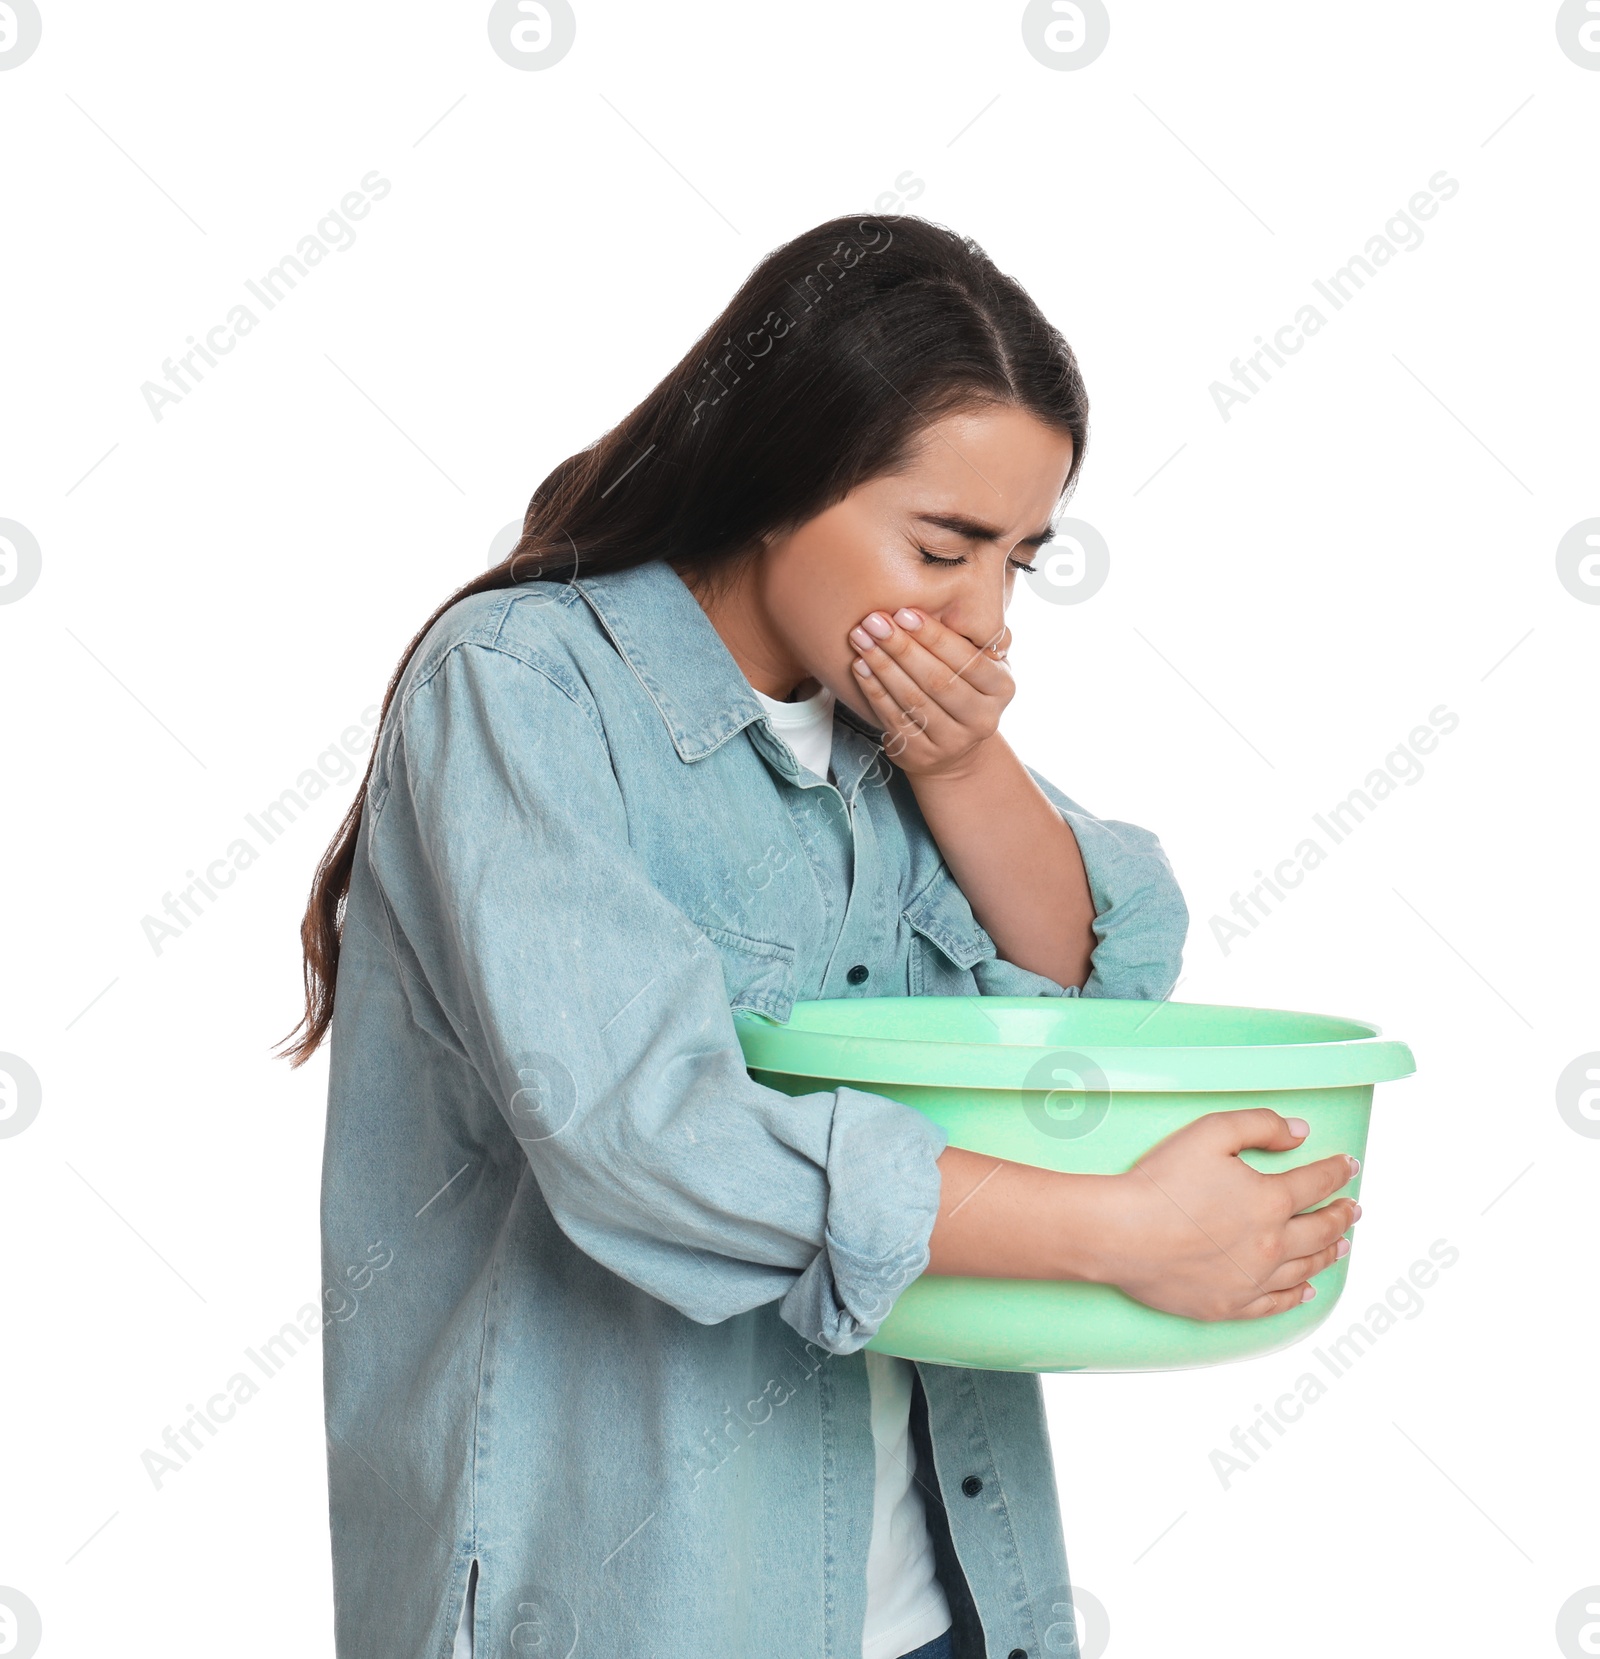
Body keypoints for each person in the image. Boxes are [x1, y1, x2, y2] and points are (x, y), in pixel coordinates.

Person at [281, 213, 1360, 1659]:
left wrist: (969, 768)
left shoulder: (898, 738)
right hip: (640, 1609)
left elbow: (1080, 991)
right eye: (944, 546)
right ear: (781, 480)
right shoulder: (522, 694)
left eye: (1021, 565)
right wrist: (1119, 1234)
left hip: (944, 1596)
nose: (983, 618)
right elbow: (646, 1135)